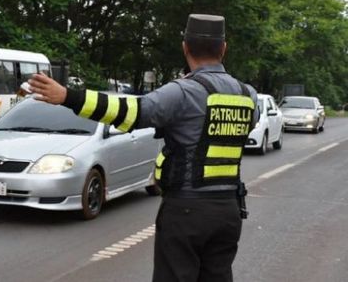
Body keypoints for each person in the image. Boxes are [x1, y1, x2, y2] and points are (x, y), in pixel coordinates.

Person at [28, 14, 258, 282]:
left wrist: (69, 97)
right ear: (224, 49)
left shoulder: (183, 92)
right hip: (228, 211)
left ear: (185, 47)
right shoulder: (247, 95)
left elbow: (130, 112)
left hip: (186, 210)